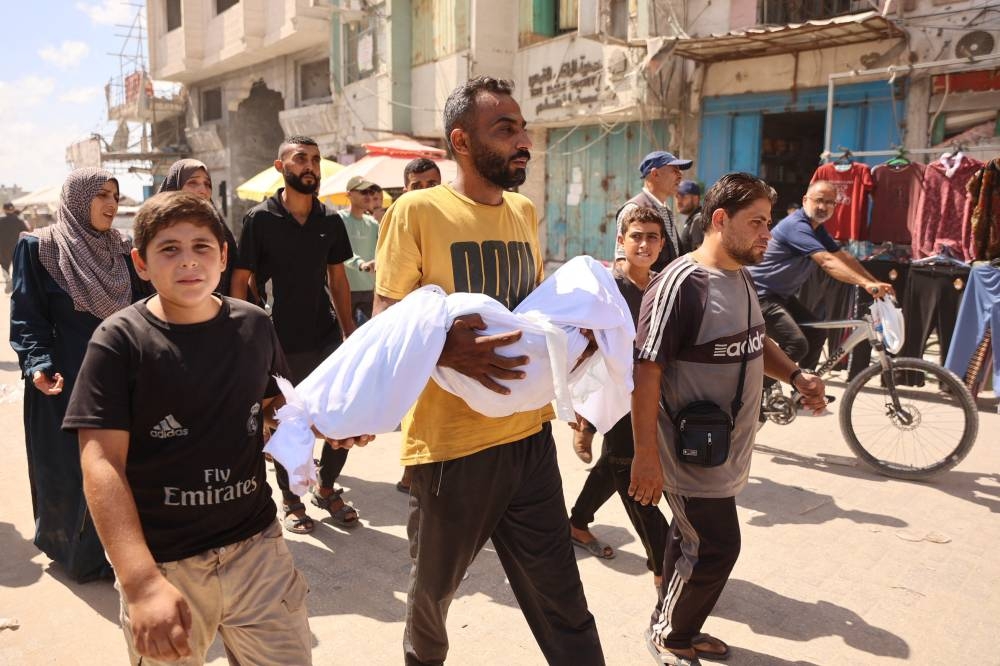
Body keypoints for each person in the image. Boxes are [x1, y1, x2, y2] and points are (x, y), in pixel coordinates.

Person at [374, 76, 604, 666]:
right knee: (432, 601)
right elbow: (384, 321)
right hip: (452, 450)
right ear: (461, 141)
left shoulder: (524, 211)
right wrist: (443, 350)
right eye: (505, 129)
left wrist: (572, 343)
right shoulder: (416, 211)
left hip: (528, 438)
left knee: (563, 599)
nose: (522, 140)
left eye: (522, 128)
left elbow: (529, 315)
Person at [64, 191, 316, 664]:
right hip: (166, 562)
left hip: (258, 548)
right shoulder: (119, 342)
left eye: (202, 247)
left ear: (223, 256)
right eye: (169, 249)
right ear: (141, 263)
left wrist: (323, 425)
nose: (188, 262)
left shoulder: (255, 325)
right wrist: (140, 583)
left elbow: (272, 408)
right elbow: (101, 463)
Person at [629, 172, 828, 665]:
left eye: (769, 221)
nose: (768, 233)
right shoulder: (681, 283)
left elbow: (755, 341)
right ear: (719, 220)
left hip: (724, 450)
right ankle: (671, 634)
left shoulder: (741, 275)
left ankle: (674, 618)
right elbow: (646, 372)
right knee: (718, 546)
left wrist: (796, 376)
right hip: (686, 452)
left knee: (690, 540)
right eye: (757, 222)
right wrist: (646, 458)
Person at [9, 167, 149, 582]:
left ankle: (125, 552)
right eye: (101, 194)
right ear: (77, 198)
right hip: (64, 379)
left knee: (124, 467)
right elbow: (27, 317)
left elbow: (145, 309)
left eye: (115, 196)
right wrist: (38, 365)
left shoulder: (123, 249)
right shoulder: (39, 248)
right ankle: (79, 554)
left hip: (121, 376)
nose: (111, 204)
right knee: (71, 471)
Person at [231, 135, 360, 535]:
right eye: (301, 159)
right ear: (280, 166)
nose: (310, 166)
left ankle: (326, 487)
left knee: (341, 419)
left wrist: (349, 333)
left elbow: (338, 280)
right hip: (278, 341)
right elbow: (240, 281)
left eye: (316, 160)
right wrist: (242, 337)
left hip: (323, 336)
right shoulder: (260, 219)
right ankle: (291, 500)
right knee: (289, 422)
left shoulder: (331, 220)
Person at [567, 206, 671, 589]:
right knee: (634, 475)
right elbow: (577, 346)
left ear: (662, 243)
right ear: (621, 242)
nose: (644, 244)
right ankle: (663, 565)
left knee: (615, 462)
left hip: (650, 396)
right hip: (612, 399)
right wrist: (581, 414)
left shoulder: (662, 287)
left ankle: (577, 522)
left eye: (652, 237)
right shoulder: (606, 290)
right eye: (636, 236)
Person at [747, 180, 894, 390]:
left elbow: (842, 257)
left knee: (816, 333)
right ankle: (754, 392)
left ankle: (805, 391)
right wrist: (865, 284)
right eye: (818, 201)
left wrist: (873, 281)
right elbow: (826, 261)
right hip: (759, 295)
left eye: (829, 202)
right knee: (796, 344)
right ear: (805, 201)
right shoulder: (796, 226)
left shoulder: (817, 229)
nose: (823, 207)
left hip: (780, 296)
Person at [156, 158, 239, 295]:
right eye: (192, 182)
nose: (202, 190)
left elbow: (235, 279)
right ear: (175, 187)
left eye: (207, 184)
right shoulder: (155, 231)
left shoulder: (221, 232)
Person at [615, 150, 692, 272]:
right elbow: (621, 260)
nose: (680, 175)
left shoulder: (665, 210)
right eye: (674, 170)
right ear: (655, 174)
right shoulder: (634, 209)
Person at [339, 175, 381, 322]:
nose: (369, 196)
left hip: (371, 290)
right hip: (344, 291)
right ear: (349, 195)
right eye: (363, 192)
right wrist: (362, 264)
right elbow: (340, 251)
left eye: (370, 192)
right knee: (346, 339)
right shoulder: (338, 219)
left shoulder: (374, 223)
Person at [1, 202, 30, 293]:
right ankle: (15, 282)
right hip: (16, 247)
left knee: (4, 266)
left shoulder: (1, 220)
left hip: (2, 248)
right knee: (16, 266)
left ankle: (8, 280)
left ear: (4, 210)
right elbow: (27, 232)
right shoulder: (19, 221)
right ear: (13, 209)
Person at [676, 180, 704, 253]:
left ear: (695, 199)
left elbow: (702, 254)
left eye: (682, 196)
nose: (678, 201)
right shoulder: (692, 219)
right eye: (677, 197)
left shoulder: (698, 219)